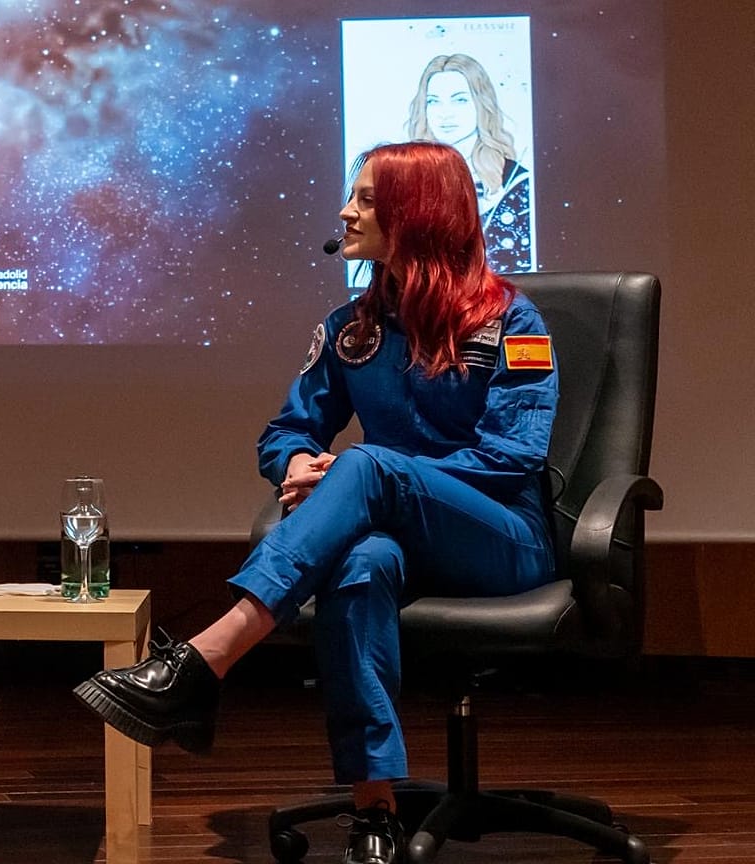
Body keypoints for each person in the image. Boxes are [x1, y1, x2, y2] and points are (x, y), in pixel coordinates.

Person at [75, 141, 557, 864]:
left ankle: (204, 662)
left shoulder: (513, 323)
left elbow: (511, 456)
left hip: (502, 539)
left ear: (417, 213)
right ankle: (375, 814)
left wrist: (367, 472)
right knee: (358, 565)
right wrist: (301, 461)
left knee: (368, 467)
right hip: (395, 532)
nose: (346, 210)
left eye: (365, 198)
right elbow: (287, 431)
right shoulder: (351, 330)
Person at [405, 53, 533, 273]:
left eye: (460, 99)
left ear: (481, 103)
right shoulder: (407, 180)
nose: (445, 113)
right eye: (433, 101)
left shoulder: (515, 179)